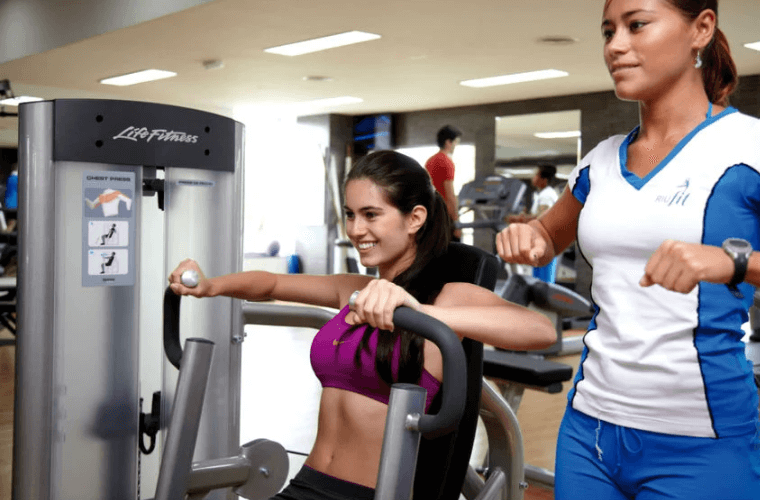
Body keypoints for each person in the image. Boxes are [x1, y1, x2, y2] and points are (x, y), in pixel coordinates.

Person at [170, 150, 556, 500]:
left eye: (371, 215)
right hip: (307, 485)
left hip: (372, 493)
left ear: (415, 218)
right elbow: (271, 284)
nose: (355, 230)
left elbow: (540, 330)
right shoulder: (356, 289)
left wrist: (419, 311)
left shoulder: (446, 295)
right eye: (352, 215)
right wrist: (210, 285)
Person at [496, 1, 760, 498]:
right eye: (608, 31)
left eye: (637, 25)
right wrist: (529, 237)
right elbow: (548, 235)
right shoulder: (600, 161)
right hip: (589, 431)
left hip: (701, 440)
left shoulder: (749, 146)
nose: (615, 45)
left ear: (701, 29)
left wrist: (733, 261)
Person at [509, 164, 560, 282]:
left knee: (543, 281)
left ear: (544, 180)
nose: (533, 178)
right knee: (538, 278)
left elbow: (541, 217)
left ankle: (545, 299)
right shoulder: (542, 194)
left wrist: (520, 219)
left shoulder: (547, 194)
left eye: (536, 175)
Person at [425, 125, 463, 241]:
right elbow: (450, 195)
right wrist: (456, 222)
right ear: (448, 142)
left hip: (432, 214)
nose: (456, 145)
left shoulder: (430, 161)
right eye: (456, 142)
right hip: (445, 216)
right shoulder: (446, 162)